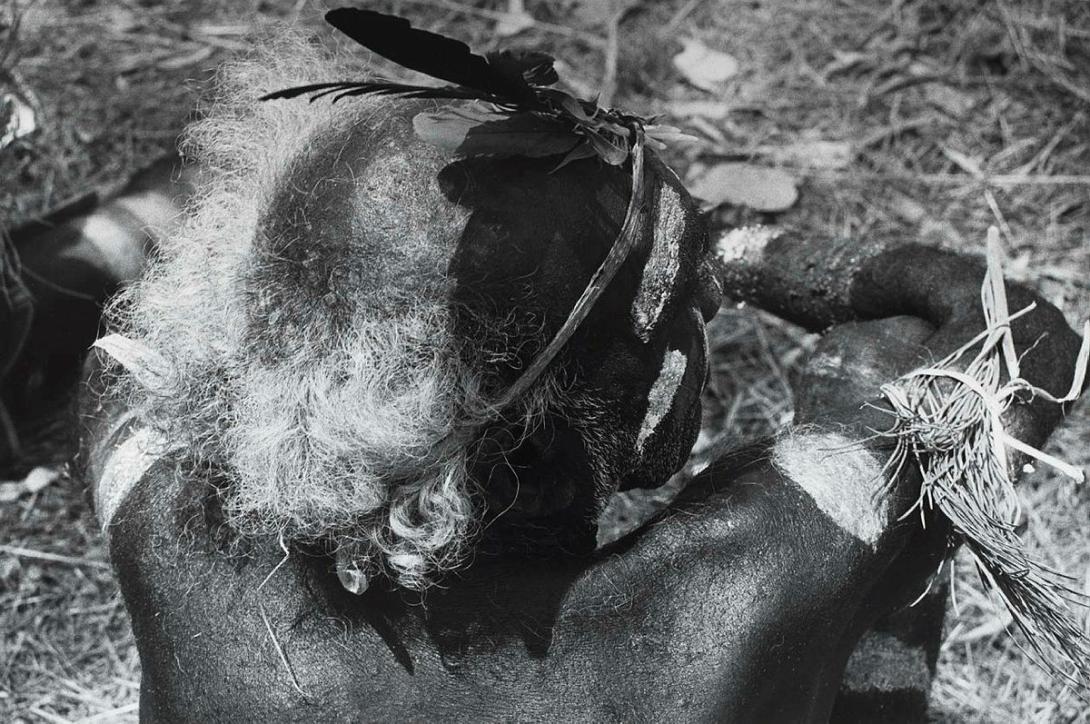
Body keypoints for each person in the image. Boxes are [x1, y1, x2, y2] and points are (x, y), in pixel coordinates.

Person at [75, 41, 1082, 722]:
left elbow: (137, 351)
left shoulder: (177, 547)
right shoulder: (731, 594)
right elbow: (1022, 331)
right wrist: (730, 247)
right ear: (620, 401)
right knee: (905, 494)